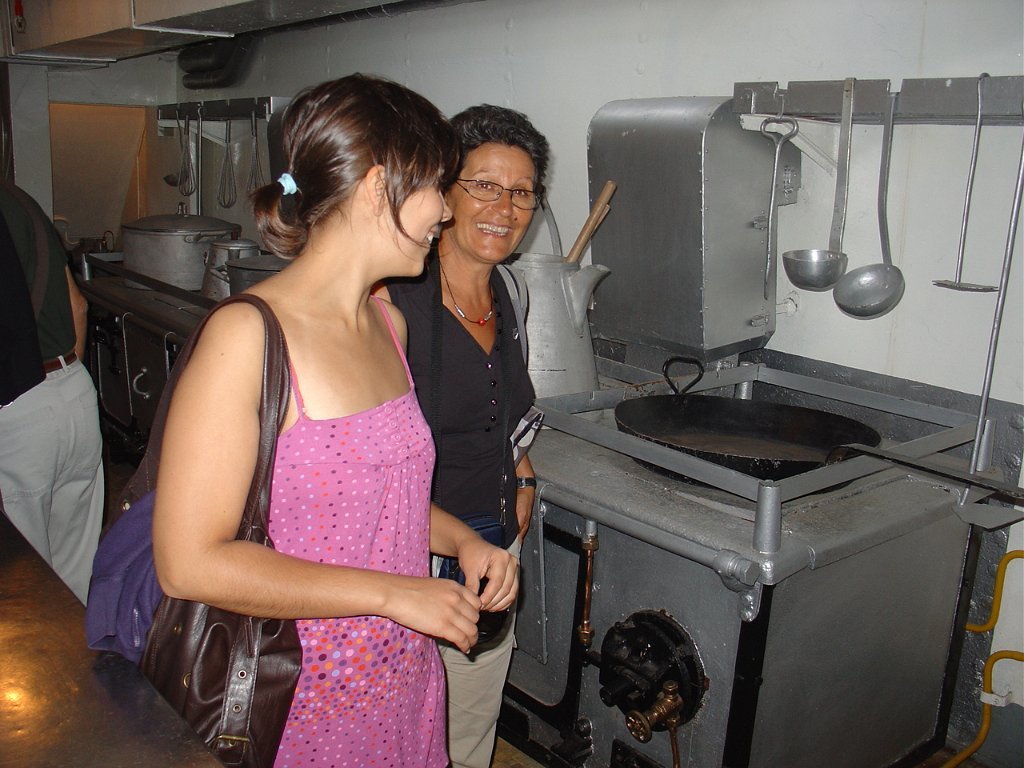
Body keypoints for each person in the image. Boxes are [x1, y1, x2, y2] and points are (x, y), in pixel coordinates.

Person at [150, 75, 519, 768]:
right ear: (380, 188)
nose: (445, 210)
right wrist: (391, 594)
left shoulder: (387, 322)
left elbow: (376, 500)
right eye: (435, 187)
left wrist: (465, 541)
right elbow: (189, 562)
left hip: (404, 678)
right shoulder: (248, 338)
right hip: (301, 696)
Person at [381, 104, 549, 768]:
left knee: (470, 728)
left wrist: (524, 475)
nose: (504, 208)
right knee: (396, 729)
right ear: (443, 191)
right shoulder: (394, 300)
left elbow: (503, 412)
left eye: (522, 192)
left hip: (491, 554)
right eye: (484, 185)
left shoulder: (512, 293)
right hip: (406, 557)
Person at [0, 180, 104, 605]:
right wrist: (62, 379)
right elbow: (78, 305)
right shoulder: (20, 200)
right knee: (76, 567)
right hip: (73, 391)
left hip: (17, 405)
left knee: (20, 580)